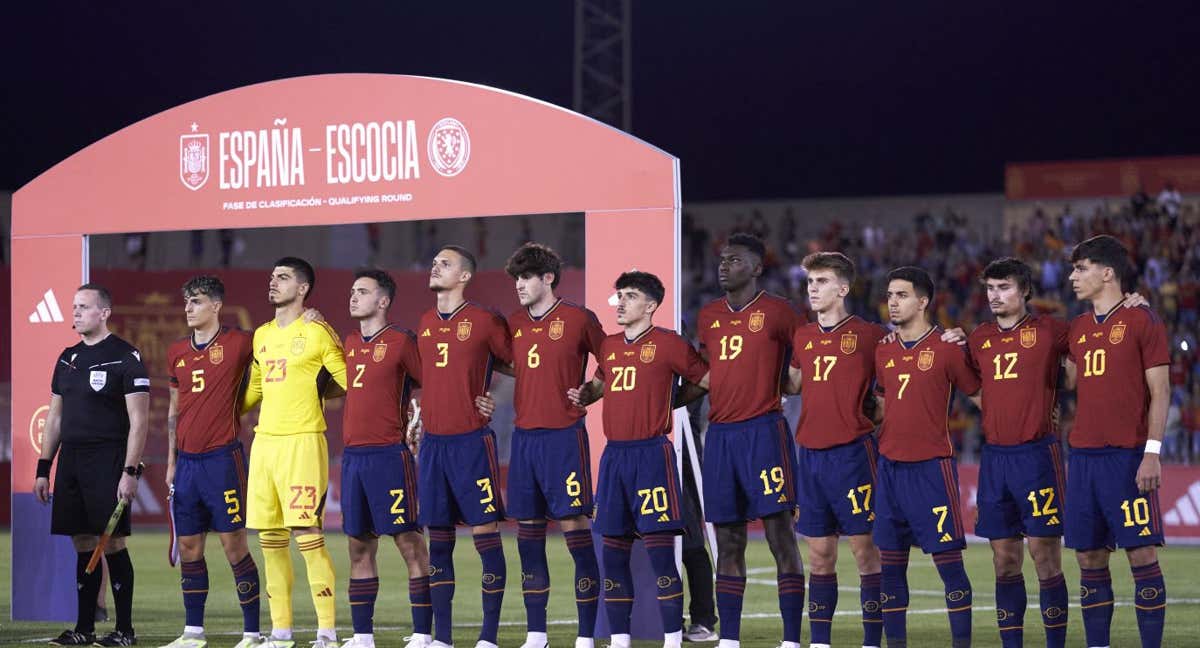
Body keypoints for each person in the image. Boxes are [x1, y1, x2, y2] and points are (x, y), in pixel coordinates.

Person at [569, 271, 710, 648]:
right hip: (615, 457)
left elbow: (706, 379)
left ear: (650, 305)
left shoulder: (670, 344)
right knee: (613, 553)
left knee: (661, 552)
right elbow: (600, 384)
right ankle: (619, 640)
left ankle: (672, 639)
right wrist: (585, 394)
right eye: (621, 295)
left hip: (652, 455)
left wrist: (674, 400)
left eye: (630, 296)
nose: (622, 302)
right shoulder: (610, 346)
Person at [689, 234, 807, 648]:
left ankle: (791, 639)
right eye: (722, 259)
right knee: (728, 540)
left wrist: (791, 380)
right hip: (719, 436)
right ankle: (730, 639)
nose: (723, 266)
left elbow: (812, 351)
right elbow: (707, 374)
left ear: (756, 268)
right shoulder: (708, 315)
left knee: (780, 536)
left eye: (734, 260)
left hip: (764, 432)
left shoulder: (778, 312)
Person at [495, 243, 605, 648]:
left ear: (548, 279)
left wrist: (590, 392)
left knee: (576, 528)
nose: (519, 285)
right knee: (529, 533)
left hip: (564, 438)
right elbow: (507, 361)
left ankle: (587, 634)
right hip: (525, 440)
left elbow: (613, 360)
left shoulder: (578, 318)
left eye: (526, 277)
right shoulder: (515, 323)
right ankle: (536, 633)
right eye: (516, 278)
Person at [1064, 235, 1170, 648]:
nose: (1074, 276)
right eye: (1073, 269)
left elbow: (1161, 392)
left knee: (1141, 554)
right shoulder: (1077, 327)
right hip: (1084, 458)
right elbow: (1059, 375)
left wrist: (1153, 453)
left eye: (1081, 268)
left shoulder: (1144, 321)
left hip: (1127, 457)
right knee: (1089, 557)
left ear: (1107, 273)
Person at [34, 284, 150, 647]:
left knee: (112, 543)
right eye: (73, 307)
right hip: (71, 461)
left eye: (84, 307)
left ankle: (125, 632)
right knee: (82, 541)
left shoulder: (126, 357)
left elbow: (140, 421)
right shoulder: (67, 358)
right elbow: (54, 418)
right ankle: (84, 629)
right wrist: (43, 467)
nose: (76, 313)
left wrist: (130, 472)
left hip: (108, 460)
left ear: (104, 312)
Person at [242, 257, 347, 648]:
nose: (273, 283)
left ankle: (326, 632)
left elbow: (351, 379)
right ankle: (281, 632)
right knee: (269, 539)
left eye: (283, 278)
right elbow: (254, 389)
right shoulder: (262, 335)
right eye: (272, 277)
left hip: (303, 441)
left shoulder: (318, 332)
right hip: (264, 443)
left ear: (302, 288)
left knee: (307, 533)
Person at [872, 267, 980, 648]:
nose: (893, 302)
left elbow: (981, 397)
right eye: (889, 295)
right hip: (888, 469)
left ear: (923, 301)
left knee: (949, 565)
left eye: (901, 295)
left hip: (932, 469)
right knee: (890, 566)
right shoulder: (883, 349)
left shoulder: (947, 348)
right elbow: (882, 404)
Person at [965, 259, 1070, 648]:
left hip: (1038, 456)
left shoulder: (1050, 330)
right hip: (995, 459)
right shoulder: (978, 338)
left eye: (1004, 287)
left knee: (1045, 557)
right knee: (1004, 560)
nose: (996, 295)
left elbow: (1091, 349)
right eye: (991, 288)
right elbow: (968, 383)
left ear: (1025, 290)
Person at [415, 245, 513, 648]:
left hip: (471, 442)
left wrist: (494, 395)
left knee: (485, 533)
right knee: (438, 540)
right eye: (434, 260)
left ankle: (488, 637)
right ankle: (443, 638)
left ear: (465, 276)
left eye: (445, 263)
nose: (435, 266)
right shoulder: (424, 322)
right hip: (433, 445)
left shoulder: (485, 320)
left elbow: (518, 363)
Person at [786, 252, 884, 648]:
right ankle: (821, 642)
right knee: (819, 556)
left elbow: (900, 372)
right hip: (810, 456)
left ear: (843, 289)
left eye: (822, 281)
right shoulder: (803, 336)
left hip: (853, 456)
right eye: (810, 282)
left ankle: (872, 641)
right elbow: (792, 383)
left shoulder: (869, 335)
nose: (813, 288)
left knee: (866, 554)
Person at [161, 276, 263, 648]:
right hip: (187, 465)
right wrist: (172, 461)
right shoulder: (176, 351)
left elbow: (277, 349)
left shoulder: (240, 342)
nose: (189, 307)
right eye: (187, 301)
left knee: (234, 546)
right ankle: (193, 632)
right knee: (189, 547)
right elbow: (174, 410)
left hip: (223, 460)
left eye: (197, 301)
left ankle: (251, 632)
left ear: (216, 306)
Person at [338, 269, 431, 648]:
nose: (353, 296)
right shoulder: (348, 343)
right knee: (358, 546)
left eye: (362, 291)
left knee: (410, 543)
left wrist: (421, 419)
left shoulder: (402, 341)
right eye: (352, 290)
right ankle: (363, 637)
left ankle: (424, 634)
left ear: (383, 300)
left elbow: (435, 383)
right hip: (353, 459)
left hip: (390, 456)